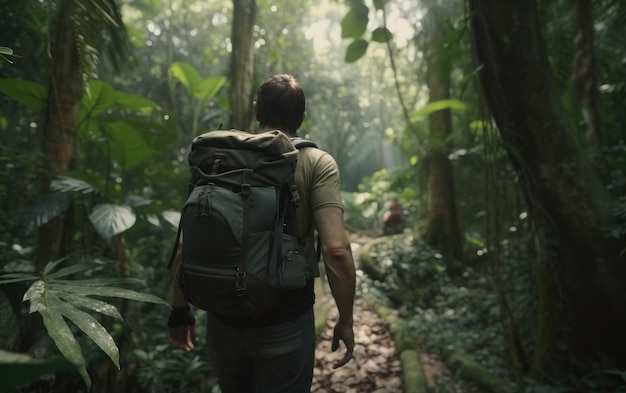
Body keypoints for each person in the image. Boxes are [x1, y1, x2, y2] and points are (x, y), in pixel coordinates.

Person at [166, 74, 357, 392]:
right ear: (302, 116)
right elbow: (336, 250)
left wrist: (179, 311)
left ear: (256, 110)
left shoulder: (222, 160)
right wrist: (346, 320)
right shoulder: (316, 163)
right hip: (285, 323)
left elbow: (188, 242)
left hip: (223, 323)